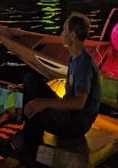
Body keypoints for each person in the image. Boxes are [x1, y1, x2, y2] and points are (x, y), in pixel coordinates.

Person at [18, 12, 101, 161]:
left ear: (73, 36)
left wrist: (44, 104)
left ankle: (27, 159)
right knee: (30, 80)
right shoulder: (73, 58)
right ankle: (27, 117)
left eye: (64, 30)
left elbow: (79, 103)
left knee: (37, 114)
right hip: (68, 112)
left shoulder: (84, 64)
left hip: (77, 124)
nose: (61, 34)